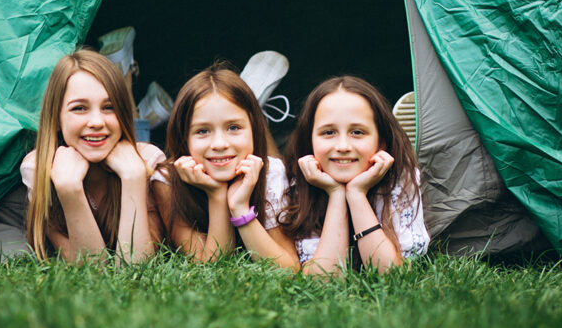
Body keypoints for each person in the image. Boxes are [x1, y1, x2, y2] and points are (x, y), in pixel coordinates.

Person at [21, 49, 164, 262]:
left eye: (109, 107)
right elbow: (92, 270)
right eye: (79, 108)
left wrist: (133, 177)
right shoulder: (39, 167)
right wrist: (70, 189)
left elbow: (136, 266)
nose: (97, 121)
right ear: (57, 117)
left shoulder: (147, 161)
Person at [152, 65, 299, 270]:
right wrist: (217, 195)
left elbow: (289, 269)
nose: (219, 144)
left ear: (254, 129)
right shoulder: (166, 180)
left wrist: (240, 208)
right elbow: (210, 264)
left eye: (233, 128)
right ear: (183, 137)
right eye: (202, 131)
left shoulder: (273, 173)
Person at [279, 76, 428, 273]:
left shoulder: (401, 181)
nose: (342, 146)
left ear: (381, 142)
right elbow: (324, 279)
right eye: (328, 132)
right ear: (310, 140)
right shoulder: (299, 184)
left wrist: (356, 194)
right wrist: (335, 193)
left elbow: (391, 274)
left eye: (357, 132)